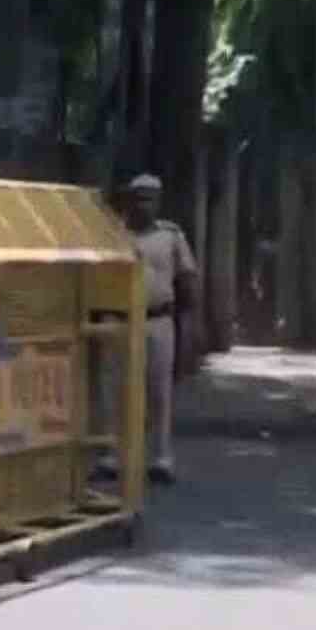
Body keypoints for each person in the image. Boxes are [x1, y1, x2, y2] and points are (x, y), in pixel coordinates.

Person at [97, 173, 199, 485]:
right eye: (138, 198)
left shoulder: (171, 236)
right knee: (113, 389)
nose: (144, 205)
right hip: (118, 319)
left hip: (158, 320)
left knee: (159, 390)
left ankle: (161, 458)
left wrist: (191, 327)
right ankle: (110, 456)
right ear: (128, 200)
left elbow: (187, 282)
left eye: (150, 199)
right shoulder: (113, 234)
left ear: (158, 202)